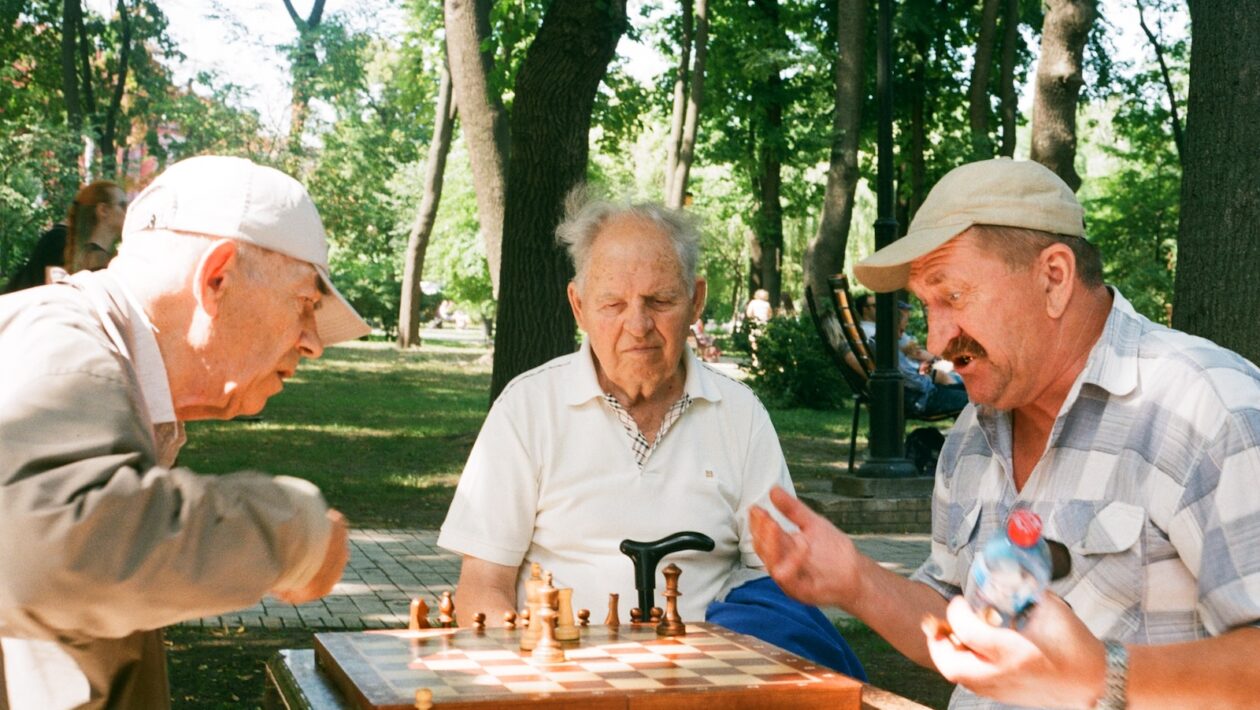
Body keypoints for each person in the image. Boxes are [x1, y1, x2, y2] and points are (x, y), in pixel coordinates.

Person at [750, 158, 1260, 708]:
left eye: (954, 296)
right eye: (927, 305)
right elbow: (953, 620)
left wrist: (1103, 675)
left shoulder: (1207, 407)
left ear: (1054, 279)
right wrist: (854, 580)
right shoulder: (972, 434)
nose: (940, 339)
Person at [0, 155, 372, 709]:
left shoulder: (94, 358)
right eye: (304, 305)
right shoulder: (64, 344)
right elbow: (48, 550)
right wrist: (295, 532)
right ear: (216, 276)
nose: (313, 343)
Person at [438, 195, 864, 678]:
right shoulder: (526, 409)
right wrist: (534, 672)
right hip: (565, 685)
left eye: (660, 301)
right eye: (613, 304)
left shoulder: (740, 414)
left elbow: (777, 582)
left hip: (710, 691)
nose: (637, 326)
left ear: (696, 300)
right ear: (578, 305)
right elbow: (483, 585)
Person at [1, 181, 126, 294]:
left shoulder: (99, 255)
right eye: (123, 205)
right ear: (103, 210)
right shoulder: (57, 242)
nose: (128, 211)